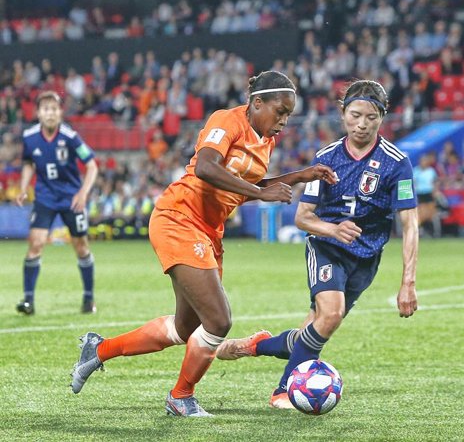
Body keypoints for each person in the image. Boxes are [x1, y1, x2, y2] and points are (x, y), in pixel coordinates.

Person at [70, 71, 338, 417]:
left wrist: (297, 176)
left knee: (186, 328)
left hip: (209, 231)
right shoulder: (226, 120)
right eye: (280, 111)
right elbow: (207, 168)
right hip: (179, 217)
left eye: (289, 115)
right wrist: (261, 191)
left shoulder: (265, 142)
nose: (284, 121)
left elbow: (239, 187)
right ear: (257, 103)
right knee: (218, 319)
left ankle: (99, 349)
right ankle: (181, 396)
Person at [215, 79, 420, 409]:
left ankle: (255, 345)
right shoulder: (327, 157)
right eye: (354, 115)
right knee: (331, 314)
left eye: (371, 117)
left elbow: (410, 226)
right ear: (342, 114)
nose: (362, 124)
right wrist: (333, 229)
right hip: (326, 246)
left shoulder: (396, 163)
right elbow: (302, 217)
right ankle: (284, 391)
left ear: (383, 116)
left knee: (316, 329)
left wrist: (408, 283)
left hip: (366, 260)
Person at [15, 91, 99, 315]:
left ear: (60, 112)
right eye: (45, 109)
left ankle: (88, 299)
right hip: (45, 198)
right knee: (36, 244)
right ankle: (28, 301)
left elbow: (92, 166)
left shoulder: (71, 137)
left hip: (71, 199)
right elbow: (28, 163)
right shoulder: (29, 137)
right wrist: (23, 188)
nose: (50, 113)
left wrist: (82, 193)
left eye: (54, 109)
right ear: (38, 113)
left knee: (81, 247)